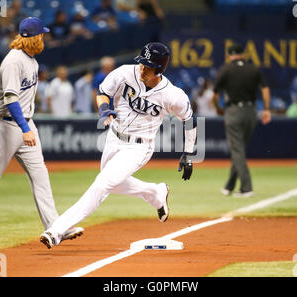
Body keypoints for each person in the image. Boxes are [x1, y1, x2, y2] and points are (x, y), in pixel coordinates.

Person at [39, 42, 197, 249]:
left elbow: (189, 119)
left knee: (102, 184)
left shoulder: (172, 95)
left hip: (139, 146)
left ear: (160, 69)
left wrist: (188, 153)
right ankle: (154, 192)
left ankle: (56, 230)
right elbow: (103, 92)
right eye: (141, 63)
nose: (142, 68)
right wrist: (104, 108)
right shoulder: (125, 73)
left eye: (148, 66)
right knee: (114, 184)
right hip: (113, 138)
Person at [0, 17, 83, 245]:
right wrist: (25, 128)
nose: (44, 38)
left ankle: (55, 229)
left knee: (41, 176)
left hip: (24, 123)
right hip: (2, 124)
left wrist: (26, 125)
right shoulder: (14, 61)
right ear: (34, 37)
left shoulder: (31, 61)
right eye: (42, 34)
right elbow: (10, 99)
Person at [213, 43, 271, 198]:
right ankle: (229, 186)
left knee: (237, 150)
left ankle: (246, 188)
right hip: (251, 112)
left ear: (230, 55)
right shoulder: (253, 69)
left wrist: (218, 108)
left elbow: (215, 93)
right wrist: (266, 109)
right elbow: (265, 89)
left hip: (234, 112)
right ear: (243, 54)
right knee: (240, 150)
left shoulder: (225, 69)